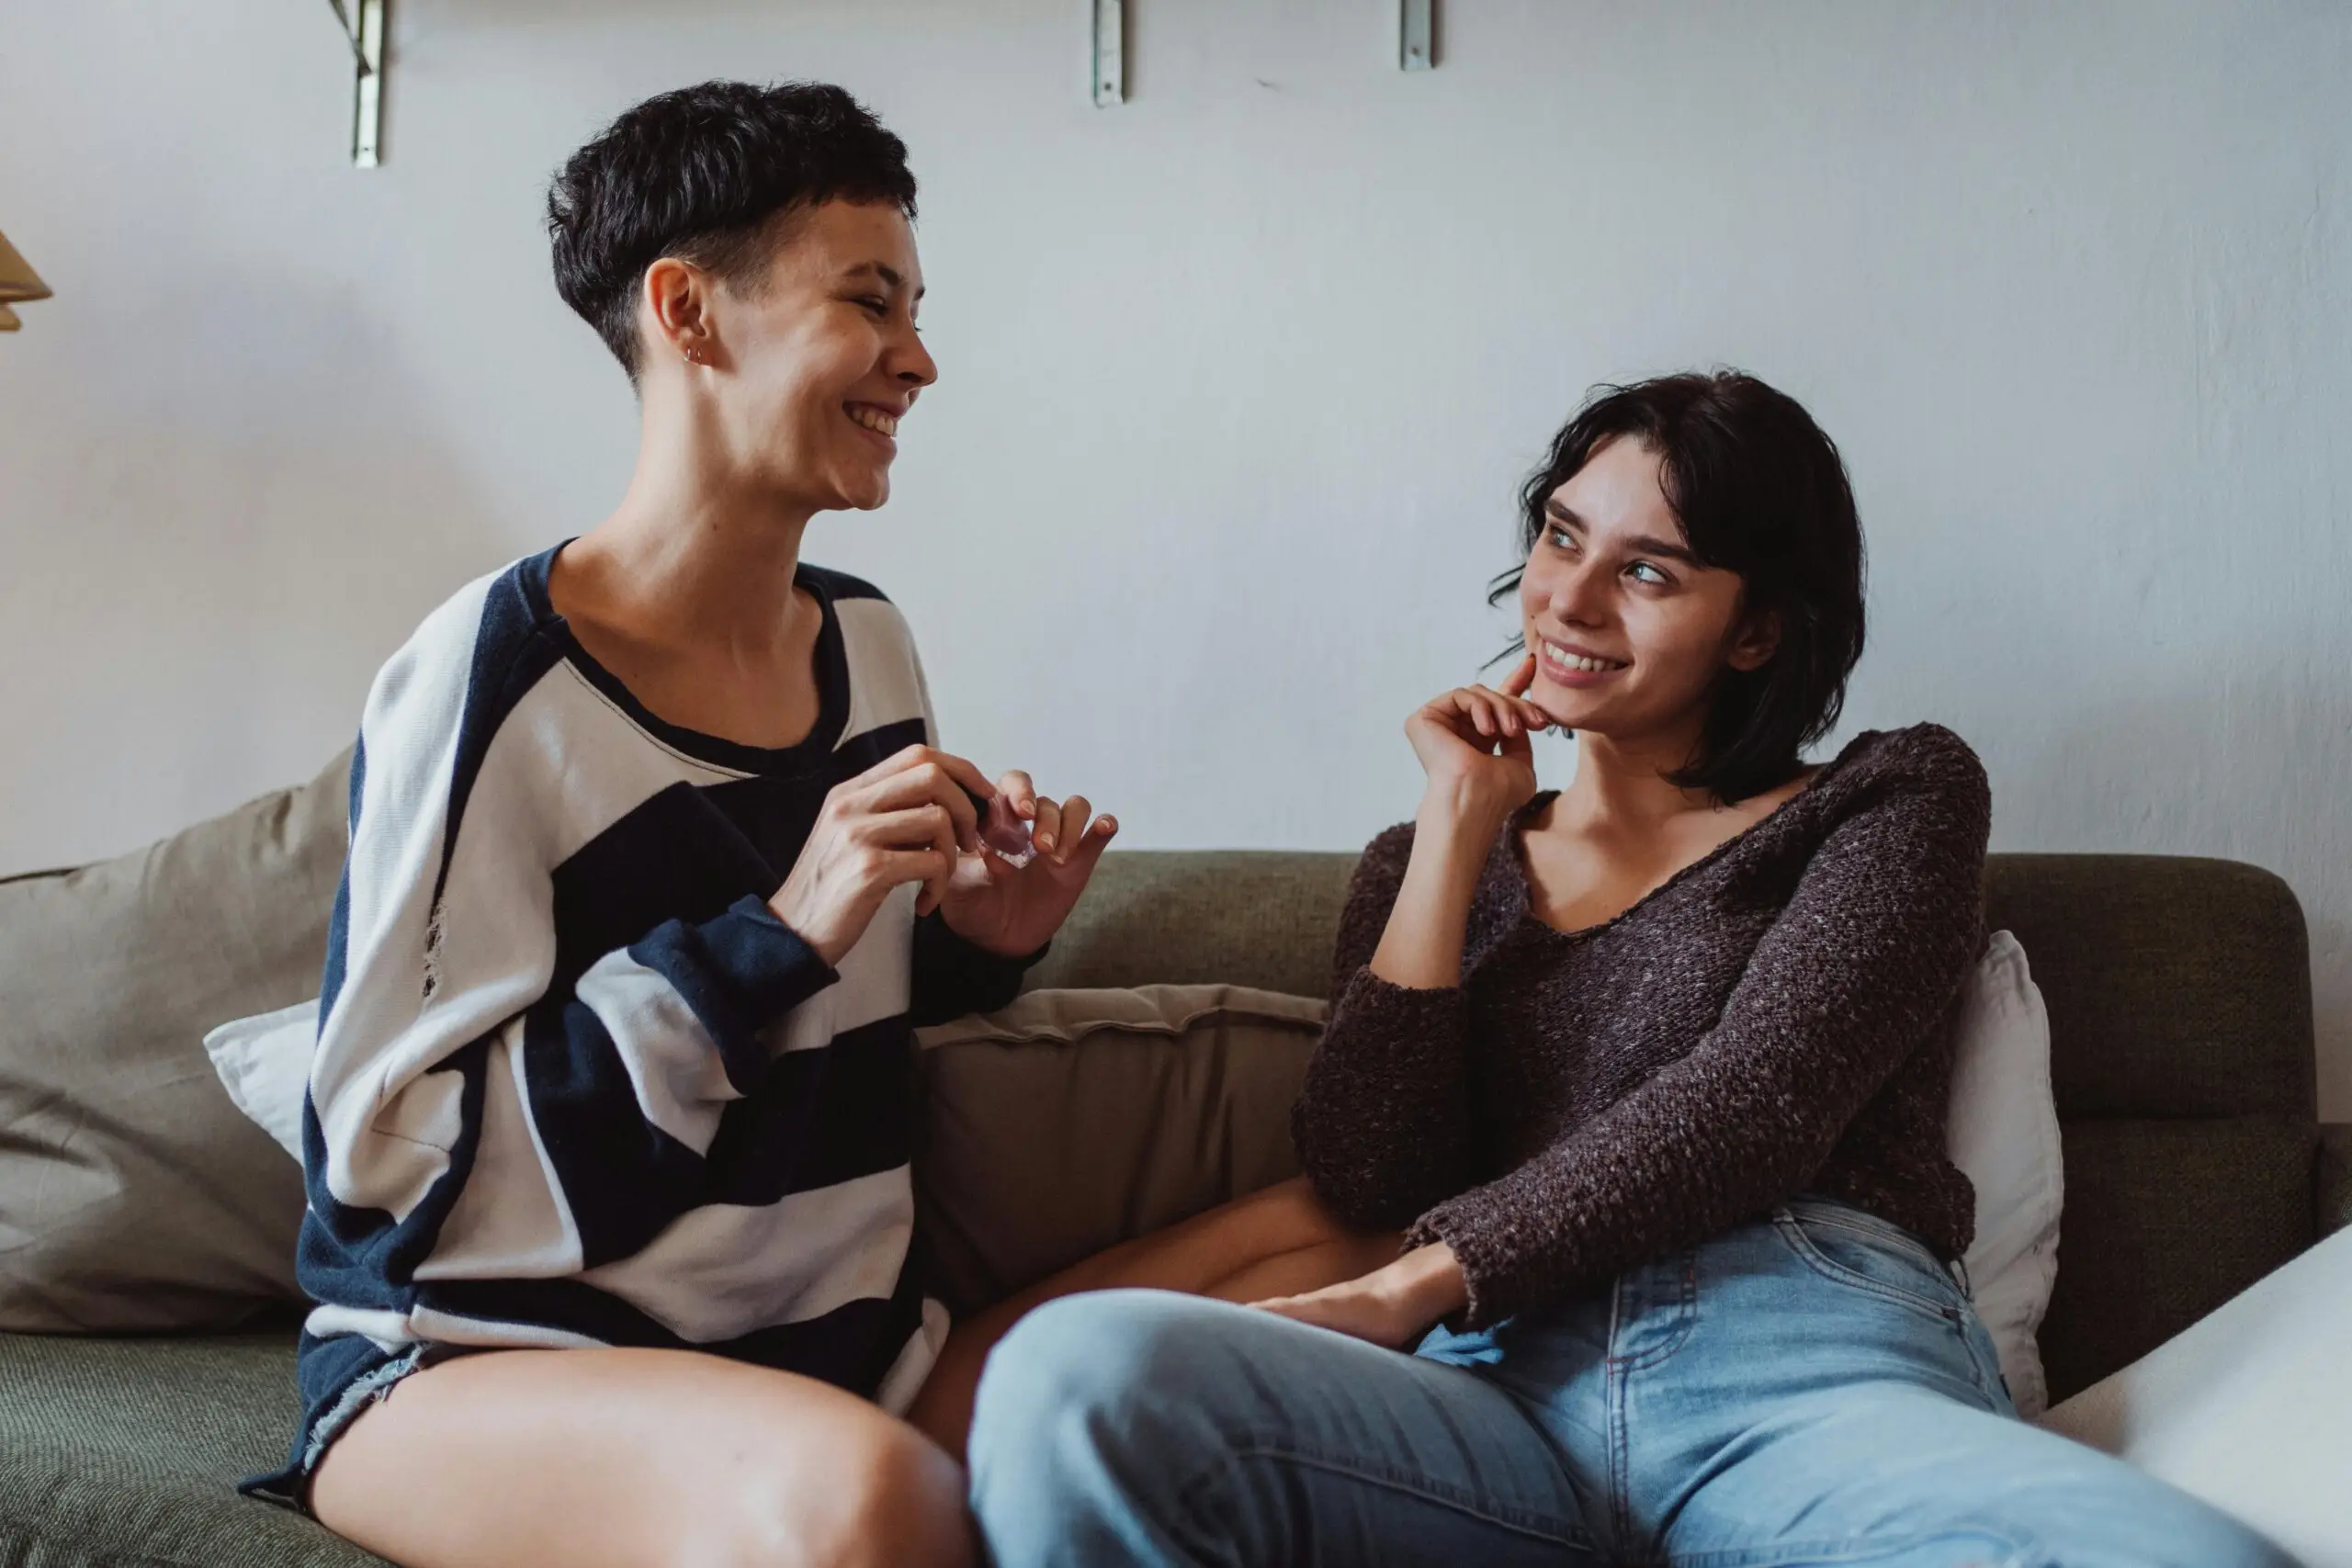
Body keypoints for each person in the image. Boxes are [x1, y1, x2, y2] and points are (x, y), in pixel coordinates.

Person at [964, 372, 2300, 1568]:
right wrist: (1452, 828)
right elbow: (1372, 1168)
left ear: (1758, 630)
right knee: (1079, 1376)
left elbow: (1757, 1101)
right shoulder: (1425, 859)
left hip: (1793, 1369)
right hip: (1486, 1396)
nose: (1570, 601)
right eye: (1560, 535)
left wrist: (1409, 1285)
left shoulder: (1893, 799)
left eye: (1649, 573)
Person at [248, 81, 1119, 1568]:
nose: (918, 359)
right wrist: (781, 929)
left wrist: (974, 947)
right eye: (870, 302)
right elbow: (395, 1181)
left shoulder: (873, 648)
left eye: (915, 309)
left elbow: (824, 1037)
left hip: (818, 1363)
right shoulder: (491, 675)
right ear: (689, 313)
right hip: (480, 1362)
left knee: (1338, 1260)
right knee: (875, 1502)